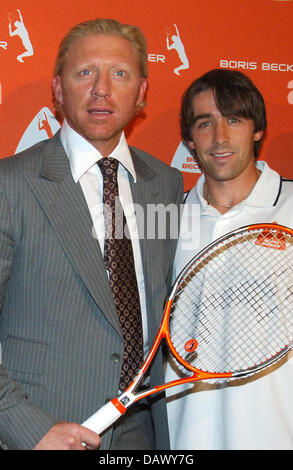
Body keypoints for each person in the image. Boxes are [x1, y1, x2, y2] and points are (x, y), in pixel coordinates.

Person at [0, 18, 183, 450]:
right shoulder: (10, 185)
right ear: (58, 89)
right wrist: (26, 426)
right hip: (43, 429)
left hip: (144, 435)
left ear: (141, 93)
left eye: (119, 74)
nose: (102, 89)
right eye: (85, 73)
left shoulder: (165, 184)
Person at [165, 68, 293, 450]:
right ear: (189, 139)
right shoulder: (167, 218)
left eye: (234, 120)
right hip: (183, 439)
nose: (220, 138)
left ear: (258, 130)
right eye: (205, 123)